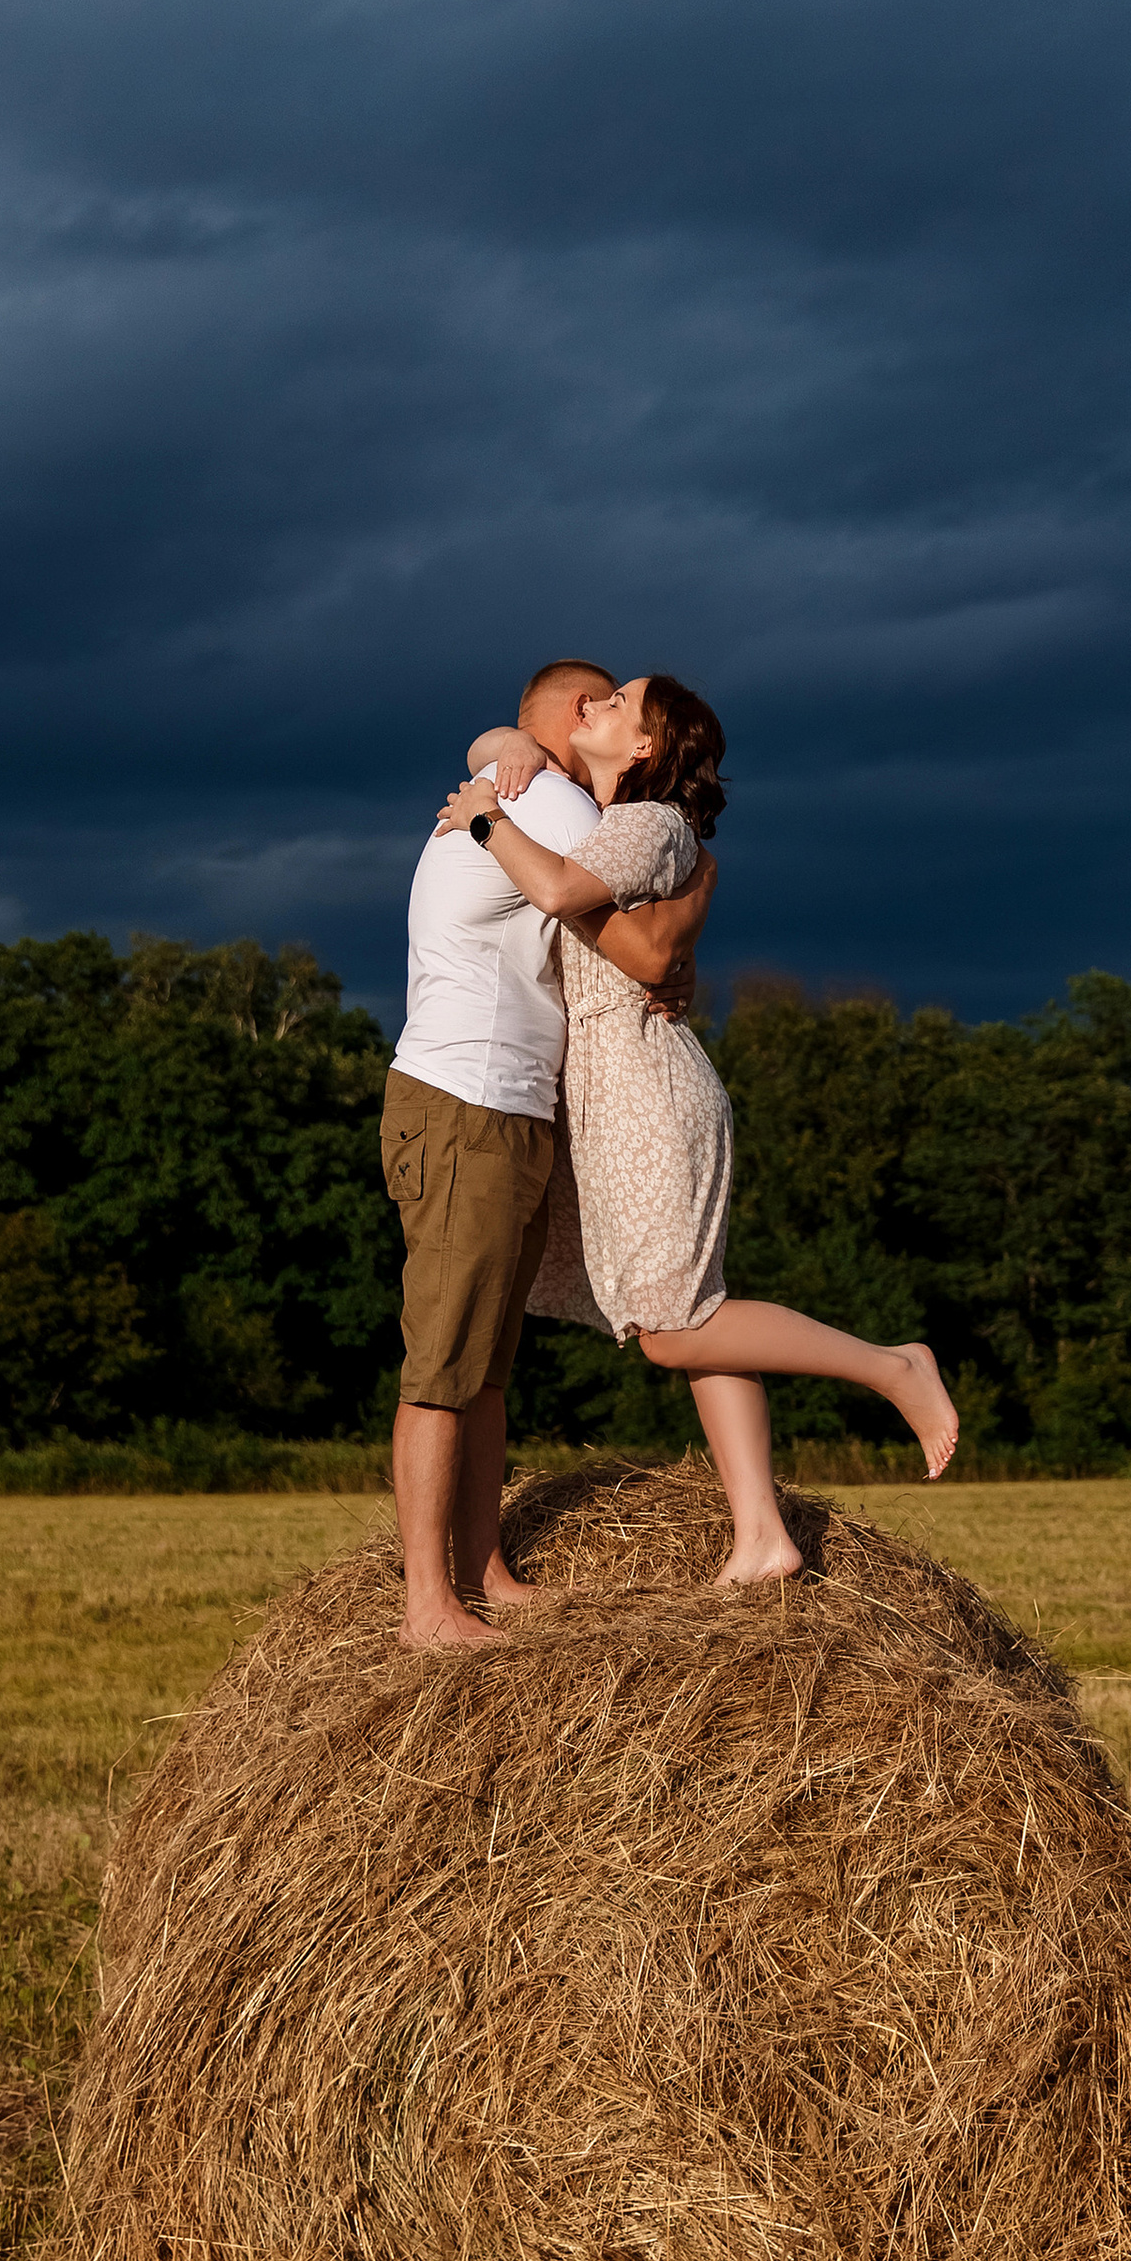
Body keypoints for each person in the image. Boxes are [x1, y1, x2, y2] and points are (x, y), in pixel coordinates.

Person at [439, 675, 957, 1585]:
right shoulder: (610, 818)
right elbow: (515, 745)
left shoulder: (644, 823)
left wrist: (485, 818)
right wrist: (500, 753)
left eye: (620, 701)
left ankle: (892, 1367)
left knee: (677, 1327)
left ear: (644, 748)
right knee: (695, 1315)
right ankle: (762, 1535)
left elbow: (560, 892)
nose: (595, 705)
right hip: (613, 1088)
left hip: (645, 1090)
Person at [381, 657, 715, 1648]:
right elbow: (637, 944)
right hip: (465, 1101)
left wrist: (497, 748)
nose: (613, 711)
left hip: (510, 1106)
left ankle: (481, 1571)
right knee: (443, 1360)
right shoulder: (559, 803)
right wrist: (693, 905)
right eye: (606, 700)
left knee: (485, 1365)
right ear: (579, 715)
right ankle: (426, 1608)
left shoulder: (521, 779)